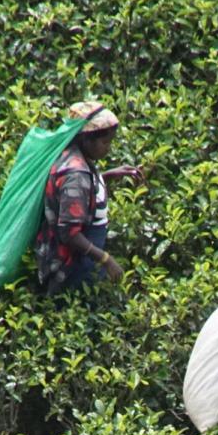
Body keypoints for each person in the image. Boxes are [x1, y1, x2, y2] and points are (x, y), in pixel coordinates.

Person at [33, 100, 143, 295]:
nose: (108, 148)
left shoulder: (75, 158)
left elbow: (79, 195)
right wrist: (105, 259)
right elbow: (70, 233)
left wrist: (106, 176)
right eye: (104, 142)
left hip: (81, 262)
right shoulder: (76, 175)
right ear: (85, 139)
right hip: (72, 268)